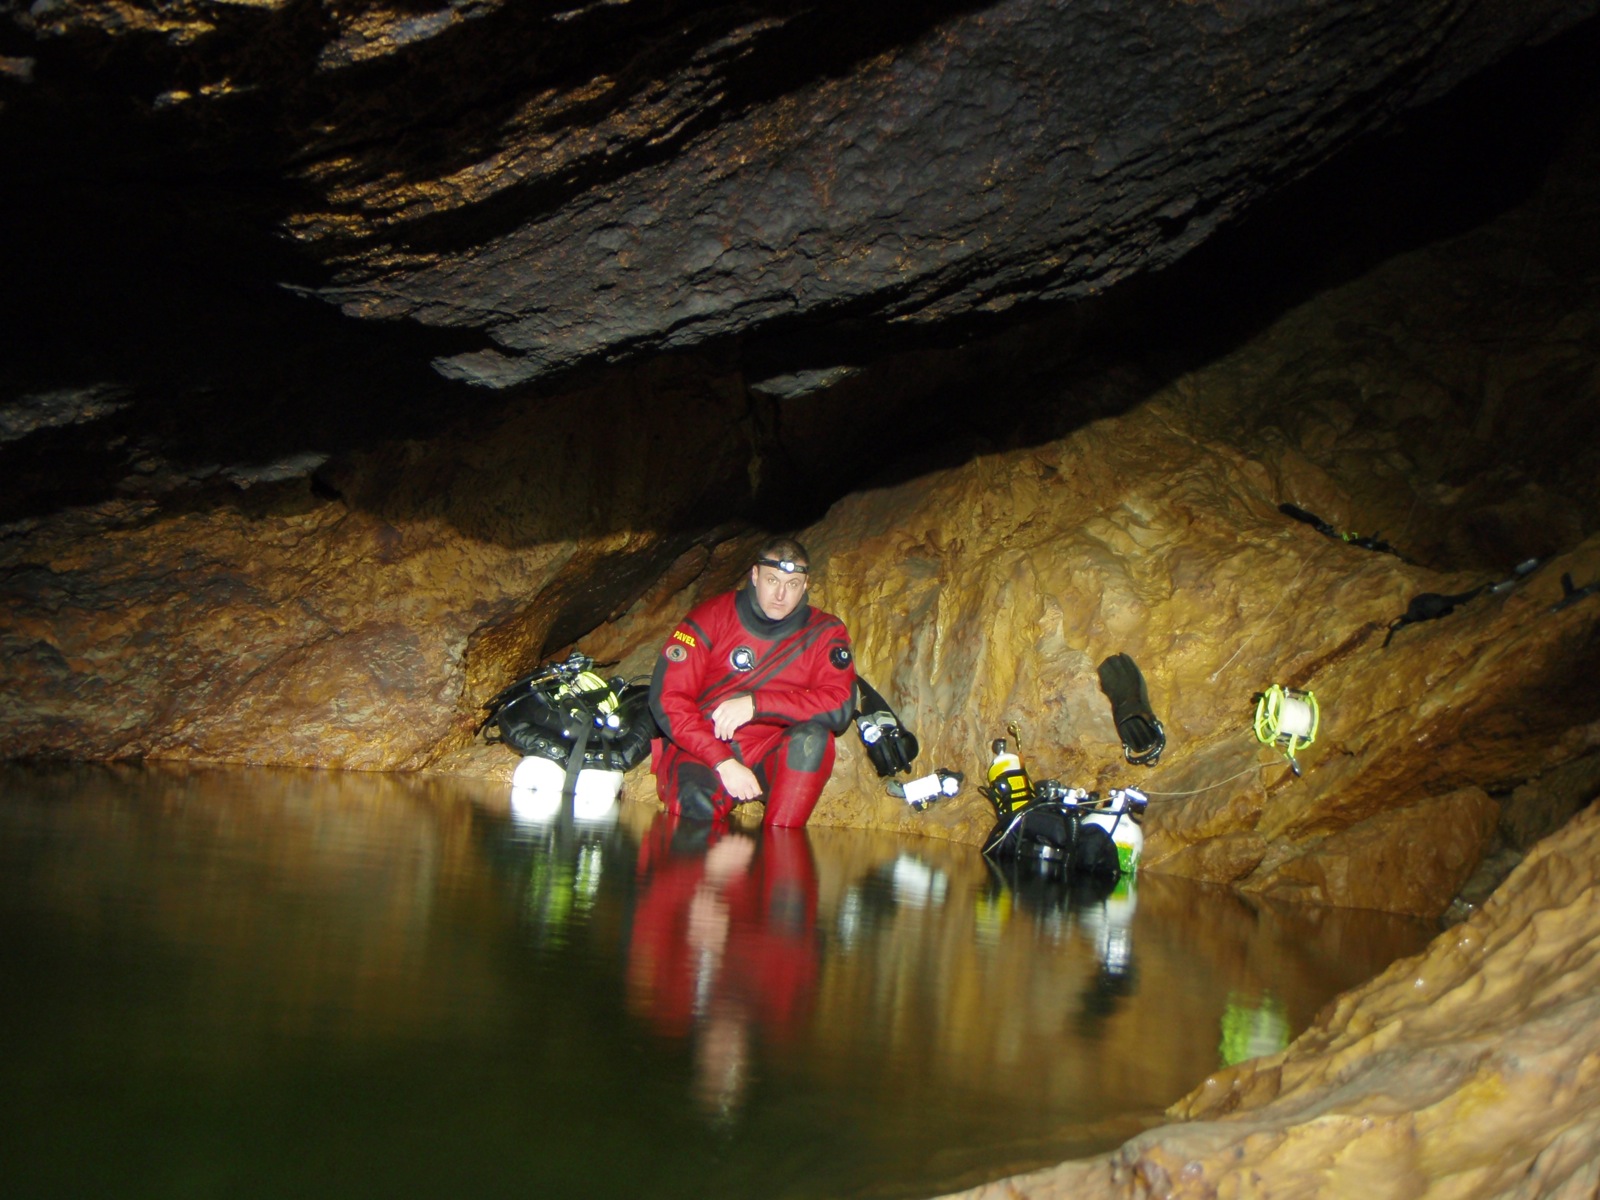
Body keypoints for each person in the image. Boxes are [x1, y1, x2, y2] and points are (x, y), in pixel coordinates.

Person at [648, 537, 855, 827]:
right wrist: (722, 761)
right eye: (772, 580)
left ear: (806, 586)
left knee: (814, 740)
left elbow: (839, 705)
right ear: (755, 576)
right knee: (695, 810)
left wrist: (757, 705)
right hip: (705, 746)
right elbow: (668, 698)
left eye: (793, 584)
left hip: (771, 748)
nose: (781, 594)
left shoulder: (825, 632)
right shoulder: (710, 617)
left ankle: (780, 842)